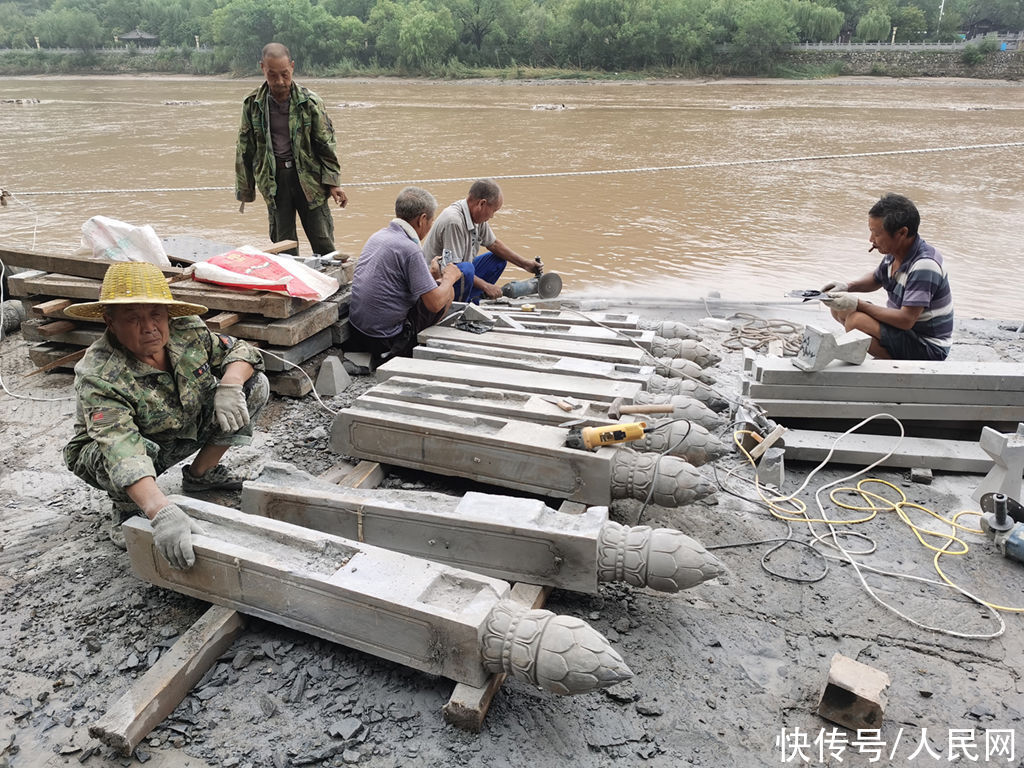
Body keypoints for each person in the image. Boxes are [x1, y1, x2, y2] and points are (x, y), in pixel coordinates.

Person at [63, 262, 269, 570]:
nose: (149, 327)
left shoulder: (188, 330)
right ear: (110, 322)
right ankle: (126, 507)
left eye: (156, 315)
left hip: (181, 425)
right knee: (109, 454)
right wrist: (160, 510)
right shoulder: (99, 374)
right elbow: (121, 446)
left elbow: (241, 352)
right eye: (133, 319)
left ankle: (200, 476)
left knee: (255, 386)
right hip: (129, 448)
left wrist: (230, 383)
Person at [235, 42, 348, 257]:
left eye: (285, 74)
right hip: (274, 181)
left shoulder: (310, 102)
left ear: (293, 67)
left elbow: (325, 143)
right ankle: (291, 285)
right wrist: (245, 190)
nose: (280, 82)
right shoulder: (252, 104)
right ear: (263, 69)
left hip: (309, 180)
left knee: (323, 239)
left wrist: (334, 184)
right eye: (273, 75)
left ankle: (333, 285)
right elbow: (244, 147)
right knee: (283, 244)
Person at [821, 193, 953, 361]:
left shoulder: (924, 265)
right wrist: (847, 287)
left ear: (902, 233)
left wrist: (858, 304)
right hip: (905, 331)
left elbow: (906, 320)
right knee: (839, 308)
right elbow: (876, 279)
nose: (871, 239)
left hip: (927, 346)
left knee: (856, 321)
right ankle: (890, 352)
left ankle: (892, 361)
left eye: (876, 234)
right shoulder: (896, 252)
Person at [348, 186, 463, 368]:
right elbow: (434, 303)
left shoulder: (378, 236)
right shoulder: (410, 249)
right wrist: (449, 278)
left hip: (357, 332)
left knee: (438, 286)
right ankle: (415, 345)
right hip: (385, 340)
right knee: (446, 293)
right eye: (431, 221)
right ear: (422, 219)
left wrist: (432, 275)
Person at [421, 179, 542, 303]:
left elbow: (494, 244)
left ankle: (472, 298)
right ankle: (458, 306)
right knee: (467, 268)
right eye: (494, 210)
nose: (492, 216)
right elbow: (454, 269)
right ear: (482, 204)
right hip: (438, 282)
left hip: (461, 273)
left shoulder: (476, 217)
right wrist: (486, 285)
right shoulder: (454, 221)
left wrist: (526, 264)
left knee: (497, 260)